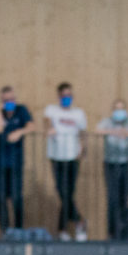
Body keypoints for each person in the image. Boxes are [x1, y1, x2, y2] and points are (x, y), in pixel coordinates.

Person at [44, 82, 88, 241]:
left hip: (72, 157)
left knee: (69, 193)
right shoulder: (52, 110)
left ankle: (62, 229)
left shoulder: (79, 113)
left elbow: (83, 132)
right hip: (57, 156)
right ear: (59, 96)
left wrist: (83, 149)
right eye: (64, 95)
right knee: (62, 191)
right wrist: (50, 129)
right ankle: (79, 220)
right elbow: (47, 123)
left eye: (69, 95)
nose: (67, 98)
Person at [0, 86, 35, 236]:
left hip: (15, 162)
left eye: (12, 99)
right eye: (6, 100)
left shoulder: (21, 110)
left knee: (16, 197)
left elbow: (31, 126)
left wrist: (19, 132)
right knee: (1, 198)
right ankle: (5, 231)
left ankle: (18, 230)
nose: (9, 102)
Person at [96, 99, 128, 240]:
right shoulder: (108, 121)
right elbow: (97, 130)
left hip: (126, 163)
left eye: (122, 108)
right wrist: (112, 132)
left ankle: (122, 230)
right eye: (117, 108)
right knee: (112, 198)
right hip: (111, 164)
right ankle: (111, 232)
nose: (119, 111)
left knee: (124, 198)